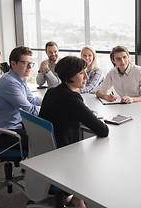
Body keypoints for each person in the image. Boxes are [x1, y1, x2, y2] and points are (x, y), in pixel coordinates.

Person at [39, 56, 109, 207]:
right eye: (82, 73)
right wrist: (87, 116)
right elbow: (103, 130)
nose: (86, 76)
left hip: (46, 151)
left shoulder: (52, 92)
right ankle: (82, 198)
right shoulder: (72, 99)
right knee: (99, 154)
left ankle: (78, 198)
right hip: (64, 154)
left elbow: (60, 114)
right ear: (70, 76)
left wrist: (80, 115)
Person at [0, 46, 42, 152]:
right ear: (13, 64)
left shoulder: (20, 79)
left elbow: (32, 100)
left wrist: (48, 102)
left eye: (31, 63)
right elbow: (30, 111)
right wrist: (51, 109)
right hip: (4, 134)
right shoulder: (10, 83)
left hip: (16, 125)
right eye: (25, 63)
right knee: (44, 140)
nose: (30, 67)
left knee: (47, 131)